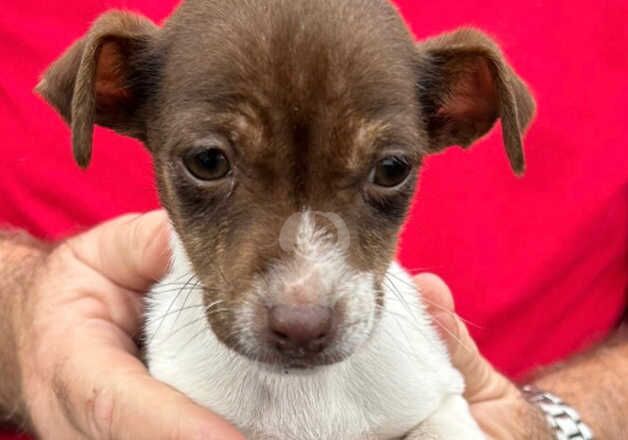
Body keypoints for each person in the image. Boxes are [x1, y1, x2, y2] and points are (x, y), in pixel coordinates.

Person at [1, 0, 626, 439]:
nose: (304, 305)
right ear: (113, 92)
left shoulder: (406, 364)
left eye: (386, 172)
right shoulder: (172, 363)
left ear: (461, 108)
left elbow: (435, 410)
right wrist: (20, 317)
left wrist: (552, 425)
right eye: (211, 162)